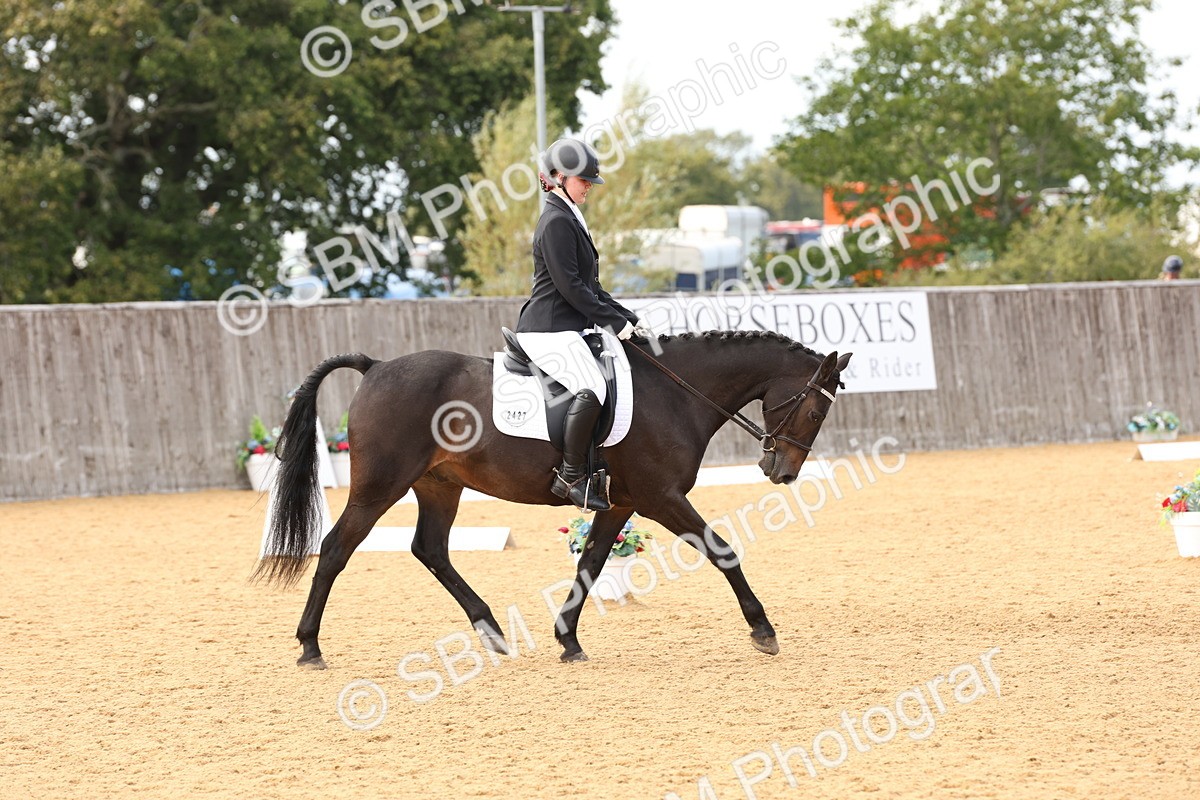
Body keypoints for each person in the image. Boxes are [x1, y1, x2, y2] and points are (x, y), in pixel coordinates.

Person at [515, 138, 649, 511]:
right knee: (592, 386)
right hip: (549, 329)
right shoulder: (556, 221)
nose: (589, 185)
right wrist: (613, 324)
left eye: (590, 180)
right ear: (558, 178)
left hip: (570, 328)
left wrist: (628, 319)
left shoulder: (570, 215)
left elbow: (591, 286)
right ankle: (571, 476)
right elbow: (571, 288)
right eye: (583, 179)